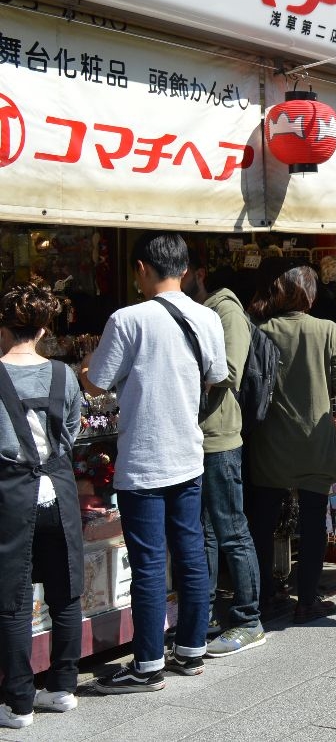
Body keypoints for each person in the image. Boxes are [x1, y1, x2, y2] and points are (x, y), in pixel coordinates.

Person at [82, 233, 228, 692]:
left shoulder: (127, 319)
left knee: (148, 563)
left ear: (142, 268)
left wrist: (86, 368)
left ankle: (147, 665)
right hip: (188, 454)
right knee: (189, 553)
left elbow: (97, 383)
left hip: (143, 459)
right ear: (184, 269)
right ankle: (191, 650)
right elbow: (217, 376)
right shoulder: (206, 317)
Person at [245, 262, 336, 625]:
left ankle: (261, 597)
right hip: (313, 442)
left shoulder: (259, 329)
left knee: (260, 525)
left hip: (269, 444)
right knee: (311, 525)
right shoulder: (328, 330)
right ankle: (306, 600)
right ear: (309, 293)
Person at [0, 285, 83, 728]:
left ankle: (18, 702)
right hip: (58, 489)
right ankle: (63, 687)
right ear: (43, 327)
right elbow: (70, 433)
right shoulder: (63, 375)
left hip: (11, 494)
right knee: (65, 591)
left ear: (3, 327)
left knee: (12, 599)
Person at [181, 263, 264, 656]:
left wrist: (179, 372)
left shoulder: (225, 308)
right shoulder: (201, 307)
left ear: (199, 273)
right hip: (196, 435)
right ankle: (208, 614)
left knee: (231, 528)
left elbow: (231, 369)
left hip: (220, 436)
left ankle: (249, 619)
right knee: (206, 532)